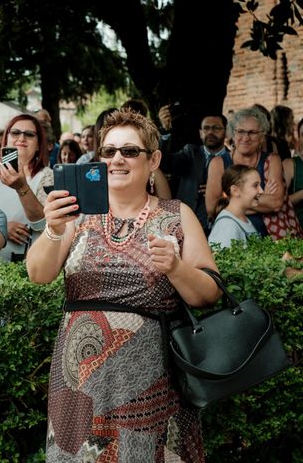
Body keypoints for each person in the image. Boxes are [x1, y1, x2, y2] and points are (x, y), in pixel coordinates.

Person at [26, 108, 219, 462]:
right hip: (80, 382)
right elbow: (38, 274)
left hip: (155, 382)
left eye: (130, 151)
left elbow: (208, 293)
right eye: (109, 151)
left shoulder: (176, 215)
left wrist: (176, 268)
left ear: (153, 160)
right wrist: (52, 229)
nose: (117, 159)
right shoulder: (75, 211)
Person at [0, 113, 53, 262]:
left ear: (39, 145)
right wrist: (1, 228)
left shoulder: (47, 177)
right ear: (6, 139)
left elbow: (45, 224)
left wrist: (22, 187)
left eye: (29, 134)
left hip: (26, 268)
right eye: (15, 132)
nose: (21, 138)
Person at [206, 107, 291, 238]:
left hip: (269, 238)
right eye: (240, 131)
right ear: (233, 135)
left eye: (252, 132)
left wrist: (230, 202)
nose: (246, 137)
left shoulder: (272, 160)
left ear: (262, 137)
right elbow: (213, 207)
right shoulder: (218, 163)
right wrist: (261, 199)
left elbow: (275, 203)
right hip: (231, 236)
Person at [160, 114, 231, 233]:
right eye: (206, 128)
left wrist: (217, 191)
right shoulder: (190, 153)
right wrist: (165, 132)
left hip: (220, 225)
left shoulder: (232, 159)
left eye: (216, 128)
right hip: (186, 224)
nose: (210, 132)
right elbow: (164, 163)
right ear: (200, 133)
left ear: (226, 132)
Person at [208, 165, 262, 248]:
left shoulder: (243, 219)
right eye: (255, 185)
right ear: (235, 190)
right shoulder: (227, 226)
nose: (262, 191)